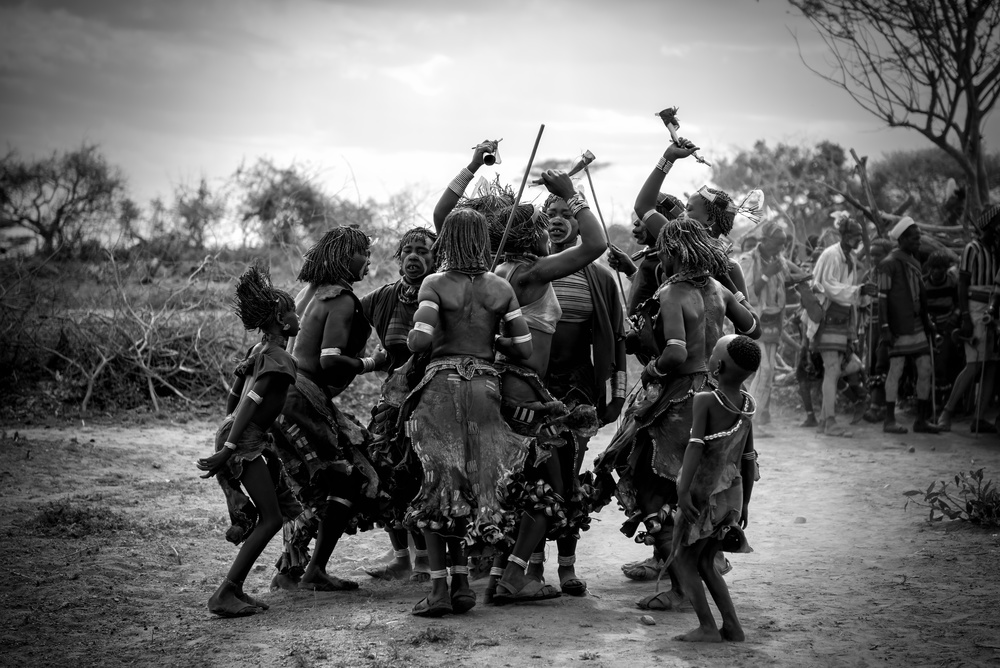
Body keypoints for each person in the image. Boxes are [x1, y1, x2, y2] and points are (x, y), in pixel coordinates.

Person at [594, 214, 759, 613]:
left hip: (681, 396)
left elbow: (676, 352)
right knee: (701, 481)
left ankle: (679, 586)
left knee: (652, 483)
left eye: (662, 253)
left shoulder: (671, 293)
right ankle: (695, 569)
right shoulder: (719, 287)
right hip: (719, 389)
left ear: (671, 253)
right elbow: (751, 328)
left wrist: (651, 370)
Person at [401, 207, 534, 617]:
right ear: (482, 241)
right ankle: (461, 585)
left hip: (442, 388)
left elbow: (420, 341)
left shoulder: (435, 283)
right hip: (485, 387)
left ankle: (438, 589)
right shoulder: (500, 288)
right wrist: (490, 338)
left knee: (439, 483)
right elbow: (525, 347)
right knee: (469, 485)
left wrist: (417, 330)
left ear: (447, 241)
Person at [485, 173, 607, 605]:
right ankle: (514, 576)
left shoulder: (498, 272)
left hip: (510, 388)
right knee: (549, 489)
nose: (548, 232)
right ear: (529, 236)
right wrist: (572, 196)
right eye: (543, 225)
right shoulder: (530, 272)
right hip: (526, 393)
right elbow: (596, 244)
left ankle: (500, 575)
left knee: (517, 486)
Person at [269, 226, 384, 592]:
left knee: (307, 484)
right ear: (346, 257)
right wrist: (372, 363)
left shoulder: (309, 292)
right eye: (364, 252)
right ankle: (314, 571)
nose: (368, 260)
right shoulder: (342, 300)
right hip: (302, 396)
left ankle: (290, 569)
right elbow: (330, 361)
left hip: (280, 394)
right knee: (346, 479)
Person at [197, 263, 300, 617]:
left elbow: (235, 394)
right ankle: (225, 592)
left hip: (239, 433)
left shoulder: (258, 350)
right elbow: (252, 400)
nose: (297, 317)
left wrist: (228, 430)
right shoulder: (280, 358)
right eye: (293, 312)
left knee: (272, 515)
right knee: (271, 519)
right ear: (281, 320)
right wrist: (231, 446)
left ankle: (235, 589)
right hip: (244, 440)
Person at [538, 190, 628, 596]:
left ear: (579, 223)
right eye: (550, 214)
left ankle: (567, 567)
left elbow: (617, 341)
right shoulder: (530, 269)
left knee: (569, 473)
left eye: (565, 213)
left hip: (577, 386)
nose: (557, 220)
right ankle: (531, 567)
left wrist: (616, 395)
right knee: (533, 474)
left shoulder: (600, 278)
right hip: (532, 384)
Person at [359, 226, 438, 582]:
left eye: (423, 250)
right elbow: (348, 329)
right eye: (408, 250)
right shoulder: (380, 299)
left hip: (432, 399)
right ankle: (402, 558)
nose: (414, 256)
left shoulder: (442, 295)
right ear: (398, 256)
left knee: (424, 476)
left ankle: (426, 560)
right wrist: (365, 363)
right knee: (386, 472)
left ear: (437, 259)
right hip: (392, 402)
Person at [671, 334, 760, 643]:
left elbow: (695, 447)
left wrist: (683, 492)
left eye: (712, 354)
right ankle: (732, 627)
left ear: (717, 366)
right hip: (732, 494)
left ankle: (708, 627)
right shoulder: (747, 403)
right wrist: (745, 503)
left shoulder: (706, 399)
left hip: (704, 493)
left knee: (684, 560)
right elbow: (748, 457)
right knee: (706, 561)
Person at [808, 216, 879, 437]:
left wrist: (863, 293)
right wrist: (859, 291)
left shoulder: (849, 257)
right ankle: (829, 422)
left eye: (860, 236)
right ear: (846, 236)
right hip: (828, 319)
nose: (859, 240)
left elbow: (848, 292)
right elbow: (828, 287)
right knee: (832, 370)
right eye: (856, 236)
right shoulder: (832, 255)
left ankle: (824, 420)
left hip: (841, 321)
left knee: (838, 369)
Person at [935, 204, 1000, 433]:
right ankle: (947, 412)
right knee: (974, 364)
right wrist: (965, 317)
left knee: (991, 365)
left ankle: (979, 418)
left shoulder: (996, 251)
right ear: (990, 225)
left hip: (993, 310)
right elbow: (962, 284)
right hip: (975, 308)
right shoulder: (972, 249)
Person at [877, 218, 942, 434]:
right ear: (902, 239)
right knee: (896, 369)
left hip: (917, 325)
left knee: (925, 368)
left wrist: (927, 321)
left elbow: (920, 295)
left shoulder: (914, 261)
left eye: (919, 238)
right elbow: (882, 299)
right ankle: (889, 420)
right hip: (899, 326)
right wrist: (885, 327)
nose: (918, 242)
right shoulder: (888, 264)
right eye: (914, 239)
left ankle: (921, 420)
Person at [739, 221, 806, 425]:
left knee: (768, 374)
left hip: (774, 322)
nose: (781, 248)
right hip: (755, 321)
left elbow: (784, 280)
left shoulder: (778, 260)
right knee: (764, 370)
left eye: (783, 244)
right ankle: (748, 418)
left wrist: (804, 278)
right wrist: (767, 273)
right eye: (778, 243)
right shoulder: (748, 260)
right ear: (765, 241)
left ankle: (756, 419)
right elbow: (747, 293)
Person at [860, 238, 895, 423]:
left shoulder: (892, 273)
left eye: (878, 255)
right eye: (872, 255)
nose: (874, 258)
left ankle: (876, 407)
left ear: (888, 255)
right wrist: (864, 293)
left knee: (882, 363)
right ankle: (878, 406)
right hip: (871, 325)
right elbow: (859, 298)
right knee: (872, 364)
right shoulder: (869, 274)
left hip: (886, 325)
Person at [923, 250, 962, 407]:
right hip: (929, 328)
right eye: (933, 268)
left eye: (939, 268)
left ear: (946, 269)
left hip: (947, 327)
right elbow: (919, 307)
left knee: (942, 362)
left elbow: (959, 304)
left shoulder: (952, 283)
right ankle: (928, 400)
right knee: (928, 363)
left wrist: (954, 317)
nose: (936, 271)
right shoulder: (923, 284)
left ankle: (942, 400)